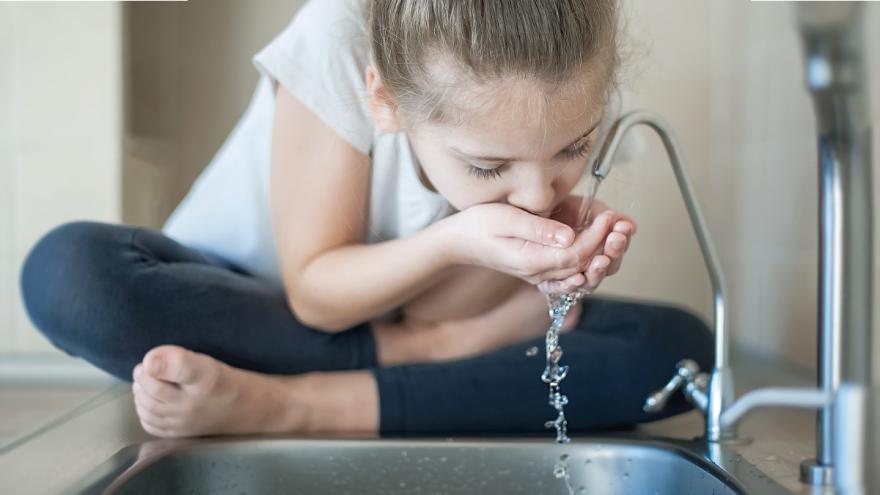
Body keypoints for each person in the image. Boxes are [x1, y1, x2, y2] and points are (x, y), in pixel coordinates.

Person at [20, 0, 711, 438]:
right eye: (487, 167)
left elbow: (431, 313)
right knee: (71, 275)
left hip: (405, 322)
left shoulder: (564, 85)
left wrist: (540, 267)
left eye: (572, 149)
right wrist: (451, 247)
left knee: (678, 351)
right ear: (385, 100)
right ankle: (391, 380)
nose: (535, 195)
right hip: (246, 299)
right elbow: (317, 297)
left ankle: (275, 406)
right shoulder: (340, 41)